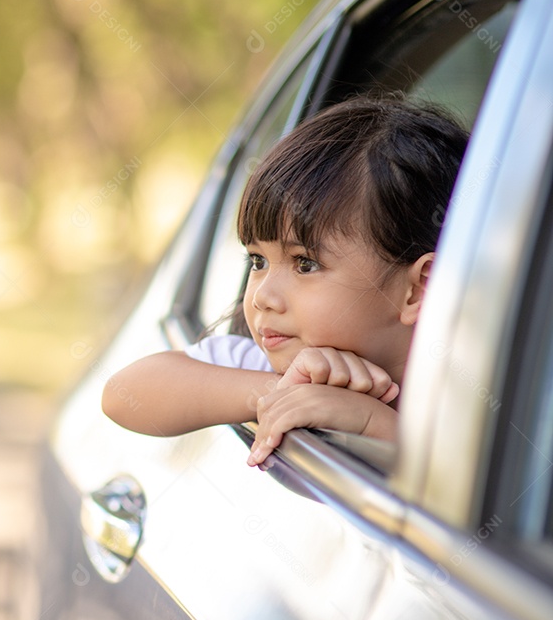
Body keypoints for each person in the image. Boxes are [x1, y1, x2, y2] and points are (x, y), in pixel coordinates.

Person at [102, 96, 468, 466]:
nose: (262, 295)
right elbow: (122, 394)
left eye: (305, 264)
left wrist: (374, 423)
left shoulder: (472, 402)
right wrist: (280, 392)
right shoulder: (267, 365)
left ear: (419, 289)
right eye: (257, 260)